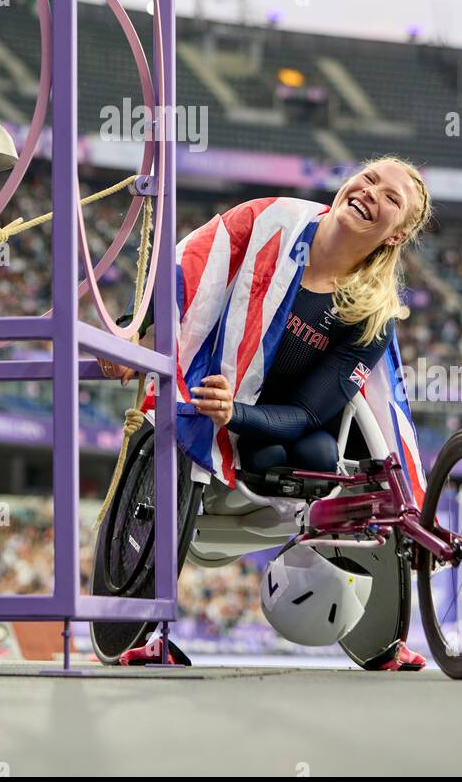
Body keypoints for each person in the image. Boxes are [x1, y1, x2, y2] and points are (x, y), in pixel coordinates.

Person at [98, 156, 432, 670]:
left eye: (392, 198)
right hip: (210, 391)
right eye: (368, 178)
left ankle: (382, 633)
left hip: (276, 426)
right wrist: (133, 331)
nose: (371, 192)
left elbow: (305, 412)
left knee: (329, 449)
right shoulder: (268, 221)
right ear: (346, 184)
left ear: (397, 234)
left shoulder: (373, 316)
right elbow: (189, 270)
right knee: (264, 443)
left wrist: (236, 416)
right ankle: (145, 629)